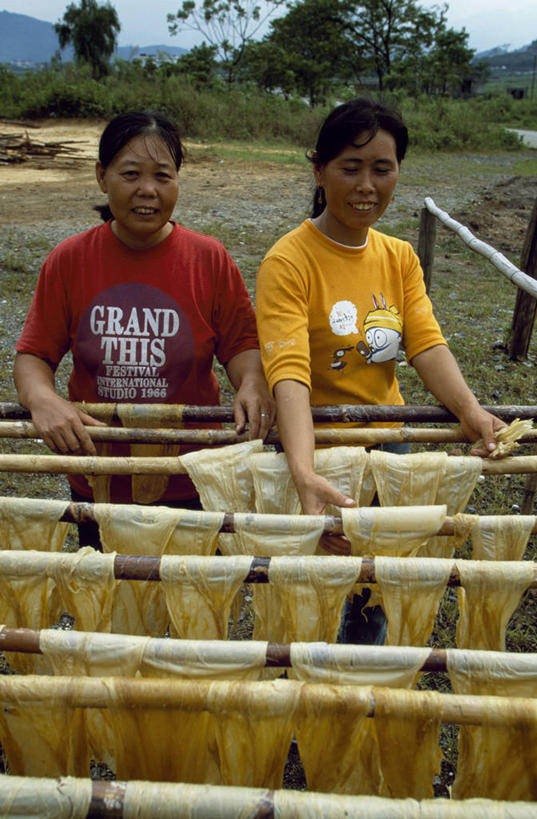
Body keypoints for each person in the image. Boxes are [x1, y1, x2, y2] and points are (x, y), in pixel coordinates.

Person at [255, 97, 505, 641]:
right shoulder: (288, 260)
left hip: (389, 446)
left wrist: (470, 410)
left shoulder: (399, 257)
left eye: (382, 169)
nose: (367, 185)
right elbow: (289, 371)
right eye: (351, 167)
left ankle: (358, 695)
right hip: (313, 442)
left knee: (372, 585)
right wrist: (304, 471)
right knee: (310, 587)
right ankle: (299, 707)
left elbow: (426, 344)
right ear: (319, 169)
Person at [14, 110, 274, 536]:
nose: (147, 190)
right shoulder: (69, 260)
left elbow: (242, 346)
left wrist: (250, 382)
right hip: (99, 471)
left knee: (185, 595)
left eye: (163, 176)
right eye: (131, 174)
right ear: (102, 176)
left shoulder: (208, 258)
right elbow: (33, 355)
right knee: (106, 592)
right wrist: (42, 398)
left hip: (190, 468)